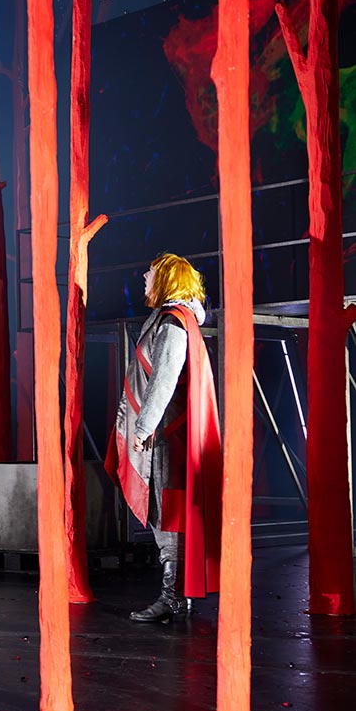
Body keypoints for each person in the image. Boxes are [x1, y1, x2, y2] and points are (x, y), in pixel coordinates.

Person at [105, 253, 222, 622]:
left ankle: (172, 597)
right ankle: (176, 597)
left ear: (168, 279)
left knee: (168, 513)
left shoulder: (173, 322)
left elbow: (164, 379)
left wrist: (143, 428)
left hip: (169, 435)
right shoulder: (170, 317)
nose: (144, 276)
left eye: (151, 272)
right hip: (168, 433)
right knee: (167, 512)